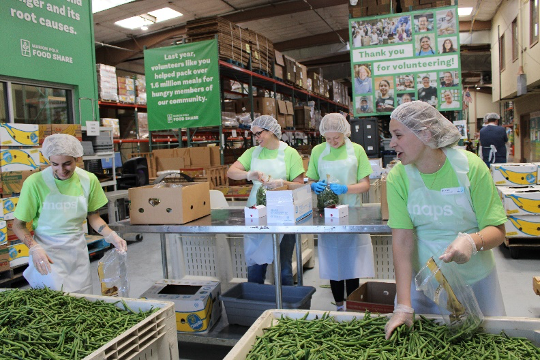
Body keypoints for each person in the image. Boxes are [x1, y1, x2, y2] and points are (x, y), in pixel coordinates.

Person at [383, 101, 507, 339]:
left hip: (477, 282)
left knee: (482, 344)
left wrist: (473, 242)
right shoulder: (398, 177)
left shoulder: (469, 167)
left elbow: (498, 230)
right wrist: (404, 305)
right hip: (426, 288)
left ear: (425, 133)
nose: (392, 143)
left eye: (398, 135)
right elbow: (402, 242)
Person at [13, 134, 127, 294]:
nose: (61, 170)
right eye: (55, 164)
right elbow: (18, 225)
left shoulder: (88, 180)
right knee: (53, 305)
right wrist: (34, 248)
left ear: (77, 159)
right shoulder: (35, 183)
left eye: (67, 164)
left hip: (77, 254)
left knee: (82, 301)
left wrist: (111, 236)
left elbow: (93, 216)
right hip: (47, 255)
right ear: (48, 160)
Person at [307, 113, 374, 311]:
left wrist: (345, 189)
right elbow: (310, 179)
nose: (333, 142)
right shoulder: (318, 150)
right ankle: (338, 306)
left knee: (352, 260)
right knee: (332, 259)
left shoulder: (357, 150)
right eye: (328, 138)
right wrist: (313, 186)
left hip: (353, 212)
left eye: (336, 138)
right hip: (327, 214)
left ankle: (352, 304)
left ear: (345, 132)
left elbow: (365, 185)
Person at [227, 115, 304, 285]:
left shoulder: (290, 154)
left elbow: (300, 186)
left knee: (284, 267)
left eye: (259, 133)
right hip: (256, 214)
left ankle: (286, 308)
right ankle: (258, 306)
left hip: (283, 215)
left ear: (271, 131)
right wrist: (249, 174)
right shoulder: (252, 153)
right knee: (255, 265)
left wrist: (283, 183)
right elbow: (231, 172)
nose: (256, 138)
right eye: (254, 135)